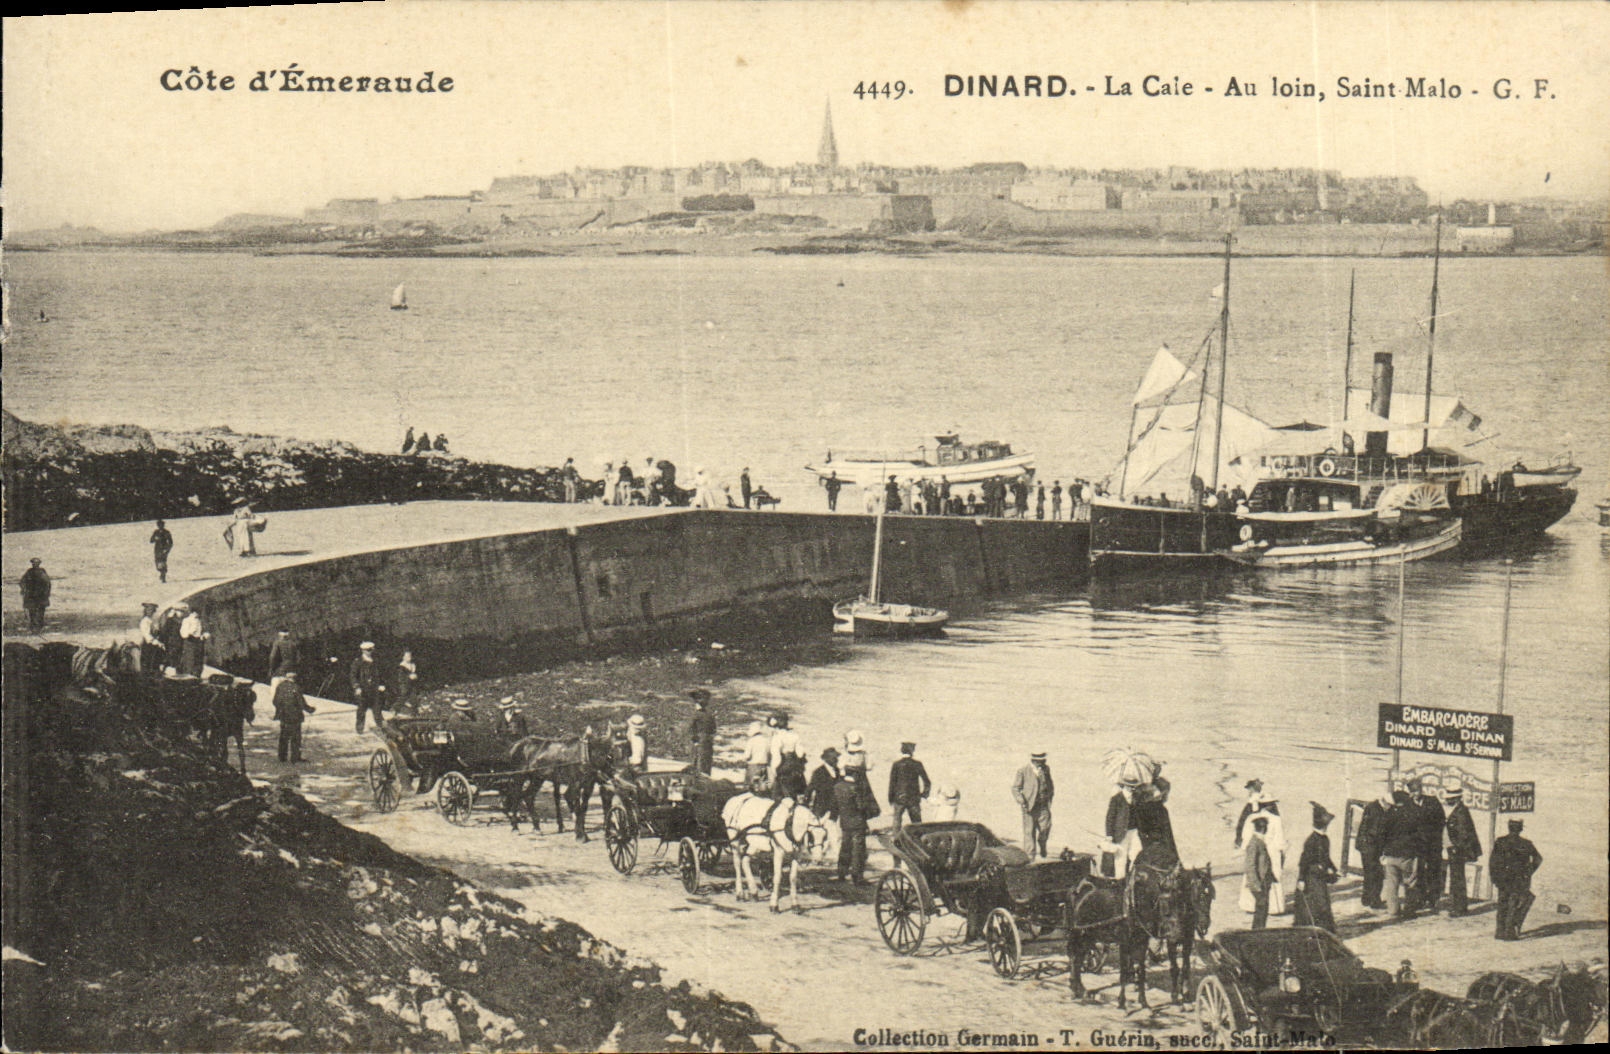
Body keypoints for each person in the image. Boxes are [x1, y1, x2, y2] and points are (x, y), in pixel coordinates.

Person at [1490, 819, 1543, 940]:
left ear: (1509, 828)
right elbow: (1538, 859)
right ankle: (1509, 932)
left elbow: (1493, 862)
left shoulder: (1500, 842)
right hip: (1519, 880)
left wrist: (1494, 877)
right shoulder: (1526, 844)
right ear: (1521, 829)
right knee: (1513, 904)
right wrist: (1528, 872)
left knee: (1502, 904)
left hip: (1503, 879)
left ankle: (1499, 931)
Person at [1294, 802, 1340, 933]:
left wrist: (1334, 869)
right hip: (1311, 877)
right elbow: (1304, 862)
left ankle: (1323, 931)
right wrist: (1301, 879)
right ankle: (1315, 931)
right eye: (1326, 825)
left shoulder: (1325, 839)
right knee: (1316, 905)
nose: (1327, 827)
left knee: (1322, 903)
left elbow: (1326, 857)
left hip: (1319, 877)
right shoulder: (1311, 841)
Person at [1239, 793, 1286, 916]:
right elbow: (1280, 840)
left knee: (1253, 874)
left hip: (1254, 849)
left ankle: (1249, 905)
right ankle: (1274, 907)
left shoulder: (1251, 818)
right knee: (1271, 876)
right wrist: (1282, 852)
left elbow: (1245, 837)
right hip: (1271, 851)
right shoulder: (1276, 819)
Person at [1443, 781, 1482, 917]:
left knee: (1457, 878)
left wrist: (1455, 847)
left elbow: (1464, 833)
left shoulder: (1460, 812)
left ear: (1457, 798)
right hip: (1457, 849)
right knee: (1456, 877)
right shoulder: (1459, 810)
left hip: (1458, 850)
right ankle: (1458, 906)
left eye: (1450, 799)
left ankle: (1458, 908)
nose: (1447, 800)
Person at [1379, 789, 1420, 918]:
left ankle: (1393, 910)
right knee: (1410, 882)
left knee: (1391, 884)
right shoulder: (1413, 814)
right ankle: (1409, 909)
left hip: (1390, 854)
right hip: (1406, 855)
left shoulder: (1389, 814)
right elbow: (1418, 835)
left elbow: (1383, 834)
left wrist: (1383, 851)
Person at [1409, 778, 1446, 912]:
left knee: (1434, 871)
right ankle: (1420, 898)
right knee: (1419, 872)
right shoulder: (1409, 805)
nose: (1415, 794)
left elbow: (1441, 820)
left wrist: (1433, 834)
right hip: (1418, 846)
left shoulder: (1432, 802)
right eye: (1413, 792)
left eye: (1417, 791)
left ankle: (1433, 899)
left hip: (1433, 844)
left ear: (1421, 790)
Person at [1011, 751, 1054, 858]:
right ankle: (1030, 855)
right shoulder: (1023, 771)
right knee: (1029, 832)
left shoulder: (1046, 769)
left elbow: (1050, 784)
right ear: (1033, 760)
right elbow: (1015, 788)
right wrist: (1021, 800)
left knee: (1045, 828)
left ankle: (1042, 844)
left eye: (1043, 760)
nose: (1042, 762)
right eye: (1040, 761)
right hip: (1029, 807)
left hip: (1043, 805)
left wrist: (1049, 797)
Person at [834, 768, 872, 885]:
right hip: (857, 822)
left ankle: (841, 872)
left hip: (844, 822)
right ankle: (857, 876)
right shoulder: (856, 788)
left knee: (845, 846)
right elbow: (860, 806)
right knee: (858, 850)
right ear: (855, 774)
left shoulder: (838, 787)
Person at [1356, 790, 1392, 911]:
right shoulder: (1375, 810)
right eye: (1389, 805)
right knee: (1376, 874)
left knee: (1369, 874)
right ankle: (1374, 900)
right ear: (1384, 802)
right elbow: (1375, 831)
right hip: (1370, 846)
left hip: (1367, 846)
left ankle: (1366, 898)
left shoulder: (1373, 807)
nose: (1390, 808)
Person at [272, 670, 316, 763]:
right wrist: (310, 709)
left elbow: (275, 701)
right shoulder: (296, 688)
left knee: (283, 736)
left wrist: (280, 709)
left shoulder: (280, 686)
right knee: (295, 738)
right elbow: (301, 703)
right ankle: (295, 757)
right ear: (295, 678)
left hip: (283, 715)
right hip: (295, 716)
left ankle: (282, 757)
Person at [887, 742, 931, 830]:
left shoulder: (896, 764)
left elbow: (892, 783)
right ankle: (919, 840)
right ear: (912, 752)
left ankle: (896, 840)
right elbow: (927, 781)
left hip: (899, 798)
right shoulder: (917, 764)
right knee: (917, 823)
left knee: (897, 822)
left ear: (902, 751)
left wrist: (891, 798)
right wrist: (924, 794)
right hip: (914, 798)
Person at [1245, 816, 1276, 930]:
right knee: (1261, 909)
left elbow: (1264, 862)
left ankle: (1259, 930)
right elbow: (1250, 866)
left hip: (1264, 882)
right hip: (1259, 884)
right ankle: (1257, 931)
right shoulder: (1254, 843)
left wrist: (1271, 876)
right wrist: (1256, 885)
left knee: (1263, 909)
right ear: (1263, 828)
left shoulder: (1259, 841)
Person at [350, 641, 385, 733]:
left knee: (377, 709)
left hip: (374, 689)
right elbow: (353, 676)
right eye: (369, 650)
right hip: (363, 690)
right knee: (361, 709)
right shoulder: (358, 662)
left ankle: (382, 727)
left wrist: (381, 684)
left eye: (372, 650)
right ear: (363, 651)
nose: (371, 652)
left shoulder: (375, 661)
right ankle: (360, 728)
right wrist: (356, 687)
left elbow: (380, 675)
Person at [769, 714, 807, 799]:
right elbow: (800, 753)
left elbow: (776, 756)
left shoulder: (777, 737)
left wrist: (774, 769)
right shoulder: (794, 735)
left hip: (783, 766)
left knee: (779, 793)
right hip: (794, 766)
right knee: (793, 791)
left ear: (776, 727)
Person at [687, 688, 716, 775]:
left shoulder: (708, 713)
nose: (707, 701)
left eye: (707, 699)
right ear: (698, 700)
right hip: (700, 742)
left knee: (706, 764)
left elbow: (713, 728)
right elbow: (691, 728)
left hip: (707, 742)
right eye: (704, 698)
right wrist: (695, 741)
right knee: (699, 764)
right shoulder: (695, 713)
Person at [807, 747, 841, 819]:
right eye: (834, 758)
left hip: (835, 810)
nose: (837, 760)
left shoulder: (838, 771)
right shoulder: (818, 772)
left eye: (836, 757)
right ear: (826, 759)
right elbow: (810, 789)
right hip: (822, 810)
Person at [20, 558, 51, 633]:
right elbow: (22, 581)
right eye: (33, 563)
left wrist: (46, 593)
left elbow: (47, 583)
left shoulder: (42, 572)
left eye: (36, 563)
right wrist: (23, 589)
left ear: (39, 564)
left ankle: (40, 626)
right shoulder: (29, 572)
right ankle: (33, 627)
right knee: (32, 611)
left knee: (41, 611)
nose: (35, 564)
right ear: (32, 564)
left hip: (41, 595)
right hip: (31, 595)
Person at [1233, 778, 1264, 849]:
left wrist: (1238, 837)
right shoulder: (1265, 801)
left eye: (1249, 789)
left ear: (1252, 789)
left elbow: (1243, 820)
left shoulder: (1252, 801)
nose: (1248, 791)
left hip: (1250, 834)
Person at [178, 604, 208, 677]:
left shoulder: (199, 621)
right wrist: (191, 632)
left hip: (199, 642)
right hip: (190, 642)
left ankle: (197, 676)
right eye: (197, 612)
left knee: (198, 661)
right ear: (193, 612)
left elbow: (203, 631)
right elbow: (183, 633)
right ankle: (188, 677)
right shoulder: (187, 620)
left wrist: (203, 635)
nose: (198, 614)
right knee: (190, 660)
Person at [136, 603, 165, 674]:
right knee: (147, 663)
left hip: (151, 645)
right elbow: (147, 635)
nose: (151, 613)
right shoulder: (145, 621)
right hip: (148, 645)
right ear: (146, 611)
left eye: (152, 611)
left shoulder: (150, 621)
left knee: (152, 663)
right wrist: (157, 642)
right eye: (149, 611)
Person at [392, 650, 419, 715]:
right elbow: (400, 678)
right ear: (403, 657)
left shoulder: (413, 665)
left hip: (412, 685)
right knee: (403, 696)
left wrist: (415, 676)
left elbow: (416, 674)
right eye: (407, 656)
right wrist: (409, 677)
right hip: (404, 685)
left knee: (414, 698)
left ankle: (414, 713)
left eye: (409, 656)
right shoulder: (401, 666)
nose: (409, 657)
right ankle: (395, 710)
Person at [745, 721, 771, 789]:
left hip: (753, 766)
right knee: (763, 786)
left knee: (751, 786)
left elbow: (747, 756)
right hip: (764, 766)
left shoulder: (751, 741)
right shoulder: (767, 741)